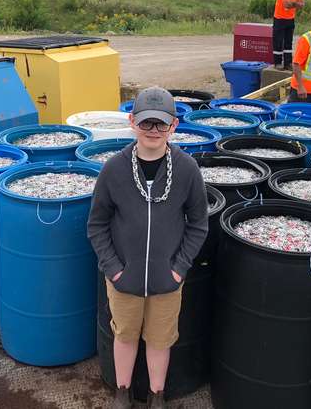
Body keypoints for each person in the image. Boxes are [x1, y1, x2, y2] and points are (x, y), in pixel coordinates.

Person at [87, 86, 208, 409]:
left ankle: (157, 394)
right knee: (124, 334)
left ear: (174, 126)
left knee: (160, 339)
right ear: (132, 122)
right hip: (124, 279)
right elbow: (97, 225)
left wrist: (179, 268)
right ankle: (122, 392)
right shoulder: (113, 169)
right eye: (146, 123)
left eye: (161, 124)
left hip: (166, 281)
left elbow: (198, 224)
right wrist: (113, 269)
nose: (153, 131)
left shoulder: (186, 170)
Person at [273, 0, 308, 70]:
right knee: (278, 41)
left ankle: (288, 63)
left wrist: (293, 3)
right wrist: (295, 4)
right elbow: (286, 4)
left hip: (290, 18)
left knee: (289, 42)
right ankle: (277, 62)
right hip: (279, 18)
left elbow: (301, 4)